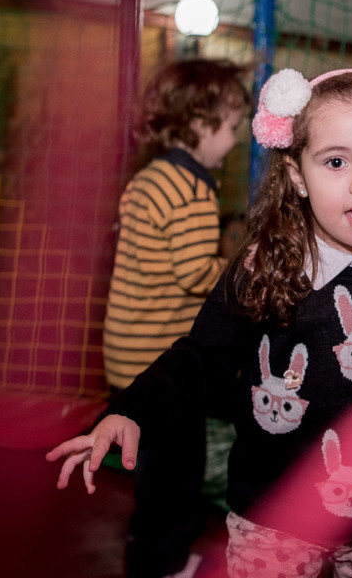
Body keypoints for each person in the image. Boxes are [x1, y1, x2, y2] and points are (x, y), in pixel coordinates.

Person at [49, 68, 352, 577]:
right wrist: (132, 409)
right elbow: (201, 357)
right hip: (273, 515)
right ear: (297, 175)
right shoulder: (267, 266)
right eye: (336, 161)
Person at [103, 57, 252, 578]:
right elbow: (193, 273)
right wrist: (240, 267)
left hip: (129, 352)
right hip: (159, 359)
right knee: (171, 474)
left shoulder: (152, 177)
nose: (234, 141)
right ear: (198, 122)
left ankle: (171, 540)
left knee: (162, 468)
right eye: (230, 127)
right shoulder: (192, 190)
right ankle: (157, 564)